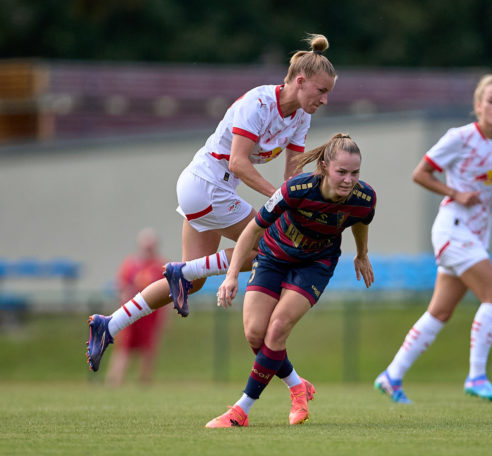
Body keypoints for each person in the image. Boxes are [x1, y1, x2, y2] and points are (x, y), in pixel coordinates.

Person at [86, 35, 336, 408]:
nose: (324, 99)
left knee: (195, 278)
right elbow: (237, 162)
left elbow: (291, 173)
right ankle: (178, 274)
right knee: (264, 247)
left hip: (211, 192)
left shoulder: (300, 117)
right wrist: (280, 202)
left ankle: (109, 325)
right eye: (321, 90)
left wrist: (298, 200)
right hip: (205, 186)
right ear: (299, 81)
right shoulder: (259, 102)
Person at [374, 74, 492, 404]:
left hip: (475, 236)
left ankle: (392, 376)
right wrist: (454, 193)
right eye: (490, 101)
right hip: (453, 229)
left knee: (440, 312)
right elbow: (420, 173)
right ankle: (477, 376)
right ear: (478, 106)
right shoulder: (459, 138)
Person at [205, 133, 375, 427]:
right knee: (256, 335)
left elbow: (360, 221)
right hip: (273, 256)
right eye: (342, 172)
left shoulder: (364, 198)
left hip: (315, 264)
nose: (349, 180)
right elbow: (252, 231)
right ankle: (298, 387)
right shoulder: (296, 189)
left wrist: (362, 254)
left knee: (278, 327)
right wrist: (231, 276)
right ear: (323, 167)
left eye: (355, 173)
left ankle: (240, 411)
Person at [105, 228, 168, 386]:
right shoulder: (130, 265)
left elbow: (167, 292)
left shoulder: (161, 266)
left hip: (151, 315)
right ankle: (114, 381)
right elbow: (122, 286)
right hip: (131, 314)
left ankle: (144, 381)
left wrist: (165, 317)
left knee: (148, 349)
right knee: (123, 348)